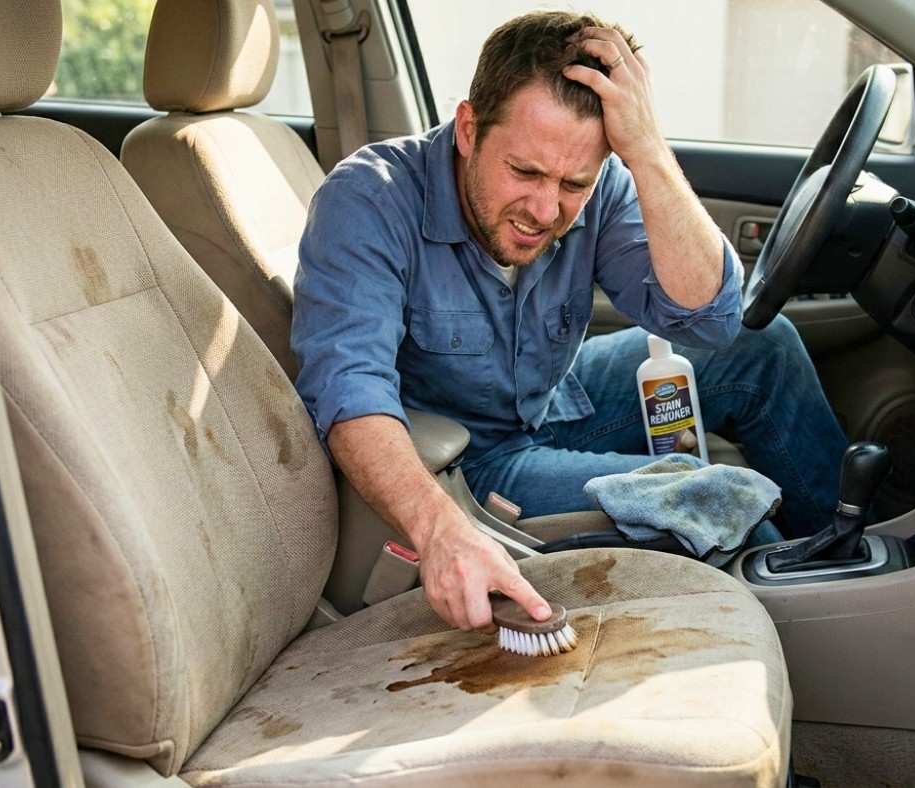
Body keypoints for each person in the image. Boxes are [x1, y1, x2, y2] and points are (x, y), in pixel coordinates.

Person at [291, 11, 848, 630]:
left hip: (555, 399)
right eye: (524, 172)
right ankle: (817, 637)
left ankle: (845, 558)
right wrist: (438, 527)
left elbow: (710, 321)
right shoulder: (369, 200)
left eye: (572, 183)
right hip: (473, 458)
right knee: (708, 498)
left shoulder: (602, 182)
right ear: (469, 128)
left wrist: (646, 151)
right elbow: (348, 393)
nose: (544, 209)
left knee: (762, 345)